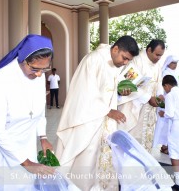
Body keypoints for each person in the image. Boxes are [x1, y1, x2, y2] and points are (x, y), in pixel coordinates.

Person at [55, 36, 139, 191]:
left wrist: (121, 93)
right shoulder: (93, 60)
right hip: (88, 120)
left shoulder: (114, 65)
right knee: (87, 159)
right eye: (125, 58)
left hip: (104, 122)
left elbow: (108, 93)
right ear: (115, 49)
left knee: (104, 158)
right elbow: (85, 92)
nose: (125, 63)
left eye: (128, 60)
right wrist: (107, 110)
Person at [0, 34, 55, 190]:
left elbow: (40, 111)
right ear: (23, 59)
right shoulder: (0, 79)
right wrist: (27, 163)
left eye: (44, 69)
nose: (39, 74)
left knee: (25, 184)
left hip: (26, 142)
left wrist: (43, 137)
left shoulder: (38, 75)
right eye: (34, 69)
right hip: (2, 145)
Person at [118, 39, 165, 153]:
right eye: (157, 54)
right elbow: (130, 83)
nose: (158, 58)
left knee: (145, 142)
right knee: (132, 140)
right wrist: (149, 98)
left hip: (149, 110)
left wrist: (160, 95)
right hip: (134, 107)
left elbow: (158, 82)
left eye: (161, 56)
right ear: (149, 50)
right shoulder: (136, 61)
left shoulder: (157, 65)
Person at [158, 75, 179, 191]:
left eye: (164, 88)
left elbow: (170, 114)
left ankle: (178, 184)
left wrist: (163, 114)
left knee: (173, 153)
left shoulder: (170, 95)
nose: (165, 90)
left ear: (167, 85)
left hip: (178, 125)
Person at [153, 55, 179, 155]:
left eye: (176, 63)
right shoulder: (164, 73)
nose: (175, 65)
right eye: (173, 63)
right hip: (165, 102)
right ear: (168, 62)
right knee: (164, 126)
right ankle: (164, 146)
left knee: (170, 126)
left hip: (172, 102)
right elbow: (162, 90)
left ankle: (167, 145)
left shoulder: (174, 73)